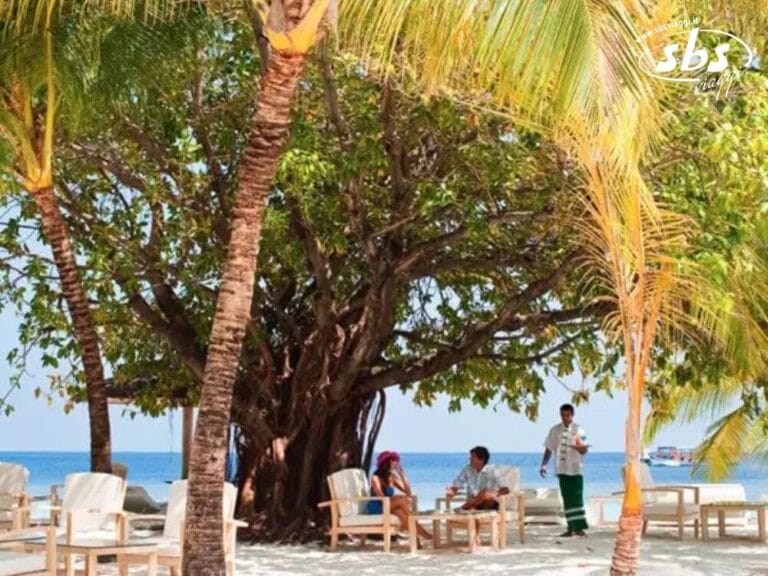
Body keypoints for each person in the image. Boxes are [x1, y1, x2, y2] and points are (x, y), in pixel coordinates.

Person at [540, 403, 589, 537]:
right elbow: (549, 448)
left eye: (567, 415)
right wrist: (544, 464)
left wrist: (579, 447)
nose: (565, 417)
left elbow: (584, 450)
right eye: (563, 415)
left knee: (577, 499)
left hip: (576, 469)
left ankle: (579, 529)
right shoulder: (555, 430)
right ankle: (570, 528)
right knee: (566, 499)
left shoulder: (580, 430)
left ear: (572, 415)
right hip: (561, 469)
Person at [368, 450, 432, 543]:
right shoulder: (375, 478)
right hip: (377, 507)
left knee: (400, 513)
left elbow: (408, 493)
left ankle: (416, 539)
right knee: (400, 499)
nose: (396, 463)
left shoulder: (392, 477)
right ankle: (425, 533)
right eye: (393, 461)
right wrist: (396, 499)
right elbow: (381, 498)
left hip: (389, 506)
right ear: (386, 463)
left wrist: (403, 475)